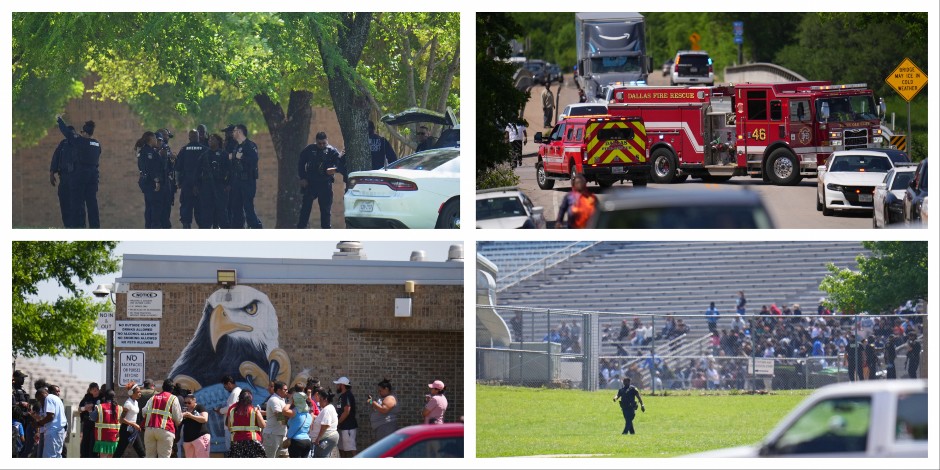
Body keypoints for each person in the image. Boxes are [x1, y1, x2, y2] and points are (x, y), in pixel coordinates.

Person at [55, 114, 101, 228]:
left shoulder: (80, 141)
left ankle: (78, 226)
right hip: (93, 177)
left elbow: (66, 132)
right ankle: (95, 227)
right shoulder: (97, 144)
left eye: (81, 132)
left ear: (84, 132)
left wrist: (59, 120)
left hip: (80, 176)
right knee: (92, 203)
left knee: (77, 203)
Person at [297, 131, 342, 229]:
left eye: (323, 143)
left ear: (327, 141)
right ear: (316, 141)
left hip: (325, 184)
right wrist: (302, 178)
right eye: (319, 143)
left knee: (325, 211)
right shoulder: (309, 149)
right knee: (305, 209)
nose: (321, 145)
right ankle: (301, 229)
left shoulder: (332, 151)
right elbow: (301, 163)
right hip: (310, 183)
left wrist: (334, 169)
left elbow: (340, 164)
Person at [230, 124, 263, 228]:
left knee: (248, 207)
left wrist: (242, 157)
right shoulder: (237, 146)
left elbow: (253, 160)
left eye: (234, 131)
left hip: (247, 181)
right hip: (237, 181)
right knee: (236, 208)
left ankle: (255, 227)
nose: (233, 133)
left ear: (239, 132)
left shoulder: (250, 145)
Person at [195, 134, 231, 228]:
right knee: (206, 214)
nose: (210, 141)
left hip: (220, 186)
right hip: (207, 187)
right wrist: (197, 185)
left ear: (218, 141)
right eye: (209, 139)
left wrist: (228, 184)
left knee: (222, 214)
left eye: (213, 139)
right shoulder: (204, 155)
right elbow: (197, 171)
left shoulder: (224, 154)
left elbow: (230, 171)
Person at [175, 130, 207, 228]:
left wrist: (178, 182)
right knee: (201, 211)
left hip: (187, 184)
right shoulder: (205, 149)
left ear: (189, 138)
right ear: (198, 137)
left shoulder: (184, 150)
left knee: (186, 210)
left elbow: (178, 168)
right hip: (201, 185)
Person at [142, 379, 182, 458]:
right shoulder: (173, 398)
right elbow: (178, 418)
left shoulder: (153, 397)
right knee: (164, 457)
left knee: (149, 457)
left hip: (149, 429)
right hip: (165, 430)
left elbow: (144, 412)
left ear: (163, 387)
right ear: (172, 389)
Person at [48, 128, 77, 227]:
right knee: (64, 204)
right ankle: (68, 226)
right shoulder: (63, 144)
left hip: (75, 179)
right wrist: (52, 172)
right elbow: (56, 157)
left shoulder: (79, 143)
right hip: (64, 178)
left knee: (76, 205)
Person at [136, 131, 165, 229]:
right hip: (151, 183)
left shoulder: (143, 151)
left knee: (149, 207)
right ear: (151, 139)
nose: (156, 140)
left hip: (146, 182)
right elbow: (150, 168)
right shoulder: (149, 152)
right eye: (155, 138)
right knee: (155, 208)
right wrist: (157, 181)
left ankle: (149, 227)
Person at [226, 389, 266, 458]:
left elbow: (229, 427)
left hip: (236, 442)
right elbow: (263, 425)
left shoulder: (232, 411)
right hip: (253, 441)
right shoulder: (254, 410)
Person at [113, 382, 145, 458]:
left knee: (141, 452)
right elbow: (121, 419)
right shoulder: (128, 404)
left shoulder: (136, 402)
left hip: (133, 430)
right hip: (125, 430)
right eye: (138, 392)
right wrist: (133, 424)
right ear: (131, 393)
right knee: (119, 452)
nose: (140, 393)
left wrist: (135, 425)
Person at [35, 384, 68, 457]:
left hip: (53, 432)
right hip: (59, 431)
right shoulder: (57, 399)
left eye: (39, 399)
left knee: (49, 456)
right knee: (57, 455)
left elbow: (50, 416)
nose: (40, 401)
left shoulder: (48, 398)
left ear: (43, 394)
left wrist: (39, 423)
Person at [282, 384, 313, 458]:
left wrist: (290, 401)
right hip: (307, 441)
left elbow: (283, 411)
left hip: (296, 441)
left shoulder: (295, 412)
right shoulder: (309, 415)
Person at [155, 129, 177, 228]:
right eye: (165, 135)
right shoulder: (157, 149)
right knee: (160, 211)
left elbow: (171, 166)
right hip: (160, 183)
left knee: (166, 209)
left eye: (168, 136)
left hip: (167, 182)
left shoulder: (166, 148)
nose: (167, 137)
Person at [261, 380, 288, 458]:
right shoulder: (274, 400)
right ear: (279, 390)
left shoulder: (281, 400)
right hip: (272, 435)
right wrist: (290, 422)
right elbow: (280, 417)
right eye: (285, 390)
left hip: (281, 434)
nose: (287, 391)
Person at [92, 388, 122, 458]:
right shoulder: (119, 408)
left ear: (105, 397)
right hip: (114, 437)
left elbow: (93, 418)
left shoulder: (100, 407)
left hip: (102, 437)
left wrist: (91, 410)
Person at [309, 387, 338, 458]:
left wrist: (318, 438)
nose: (319, 402)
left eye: (320, 400)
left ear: (325, 400)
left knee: (321, 456)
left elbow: (325, 425)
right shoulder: (328, 408)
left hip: (326, 438)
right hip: (326, 437)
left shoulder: (327, 409)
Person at [333, 377, 358, 457]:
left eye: (338, 384)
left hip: (348, 427)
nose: (337, 386)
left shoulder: (347, 395)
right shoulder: (342, 396)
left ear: (342, 385)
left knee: (351, 448)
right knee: (341, 448)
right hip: (342, 427)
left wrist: (338, 422)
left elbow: (347, 411)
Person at [216, 375, 241, 454]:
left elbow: (231, 408)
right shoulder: (235, 392)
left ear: (229, 383)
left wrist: (220, 410)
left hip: (231, 426)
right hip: (231, 425)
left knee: (231, 449)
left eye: (225, 386)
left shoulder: (235, 392)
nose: (225, 389)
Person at [179, 394, 210, 458]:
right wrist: (180, 416)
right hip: (187, 439)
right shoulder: (185, 410)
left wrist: (191, 416)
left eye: (189, 403)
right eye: (185, 403)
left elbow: (204, 419)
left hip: (200, 437)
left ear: (194, 400)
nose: (187, 405)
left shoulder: (199, 407)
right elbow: (179, 423)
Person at [78, 382, 100, 458]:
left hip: (96, 424)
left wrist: (94, 406)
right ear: (90, 391)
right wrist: (85, 408)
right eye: (94, 390)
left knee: (93, 443)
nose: (96, 391)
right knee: (85, 442)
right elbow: (79, 409)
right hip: (87, 423)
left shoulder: (101, 398)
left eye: (97, 389)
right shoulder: (87, 398)